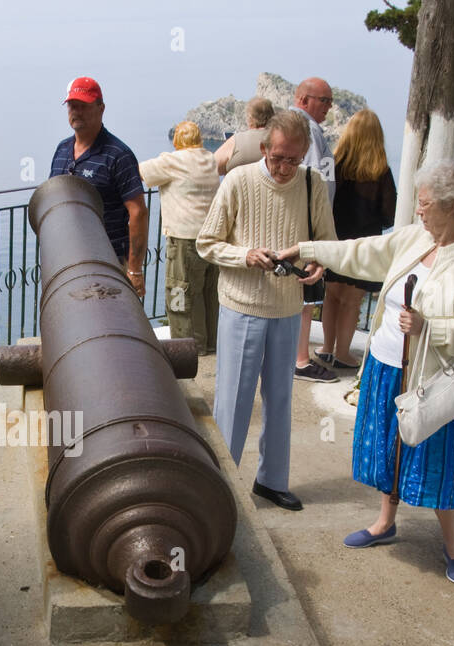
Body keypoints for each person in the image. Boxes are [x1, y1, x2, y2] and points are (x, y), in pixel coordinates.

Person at [277, 161, 454, 585]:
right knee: (388, 452)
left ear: (452, 207)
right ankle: (384, 522)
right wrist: (308, 250)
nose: (418, 211)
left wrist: (428, 327)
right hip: (385, 364)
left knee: (435, 460)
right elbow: (361, 252)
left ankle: (453, 545)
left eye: (425, 204)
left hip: (432, 381)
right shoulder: (414, 239)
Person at [196, 109, 336, 511]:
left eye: (294, 159)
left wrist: (316, 263)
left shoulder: (313, 184)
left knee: (280, 399)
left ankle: (271, 481)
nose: (285, 168)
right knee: (234, 401)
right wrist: (245, 255)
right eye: (278, 158)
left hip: (288, 309)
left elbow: (326, 242)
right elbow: (207, 243)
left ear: (305, 154)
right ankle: (221, 485)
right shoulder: (238, 180)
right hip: (242, 307)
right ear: (263, 149)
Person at [50, 76, 148, 294]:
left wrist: (134, 270)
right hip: (70, 258)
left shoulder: (118, 155)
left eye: (83, 106)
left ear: (101, 108)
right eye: (72, 106)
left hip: (109, 258)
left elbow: (138, 212)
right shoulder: (62, 150)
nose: (76, 112)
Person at [317, 109, 396, 371]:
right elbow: (390, 213)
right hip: (365, 243)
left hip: (336, 238)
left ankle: (327, 348)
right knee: (352, 301)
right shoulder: (381, 171)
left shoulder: (334, 163)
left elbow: (322, 198)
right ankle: (343, 353)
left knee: (331, 296)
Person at [139, 121, 220, 354]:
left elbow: (140, 172)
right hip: (211, 238)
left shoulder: (173, 161)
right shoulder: (209, 159)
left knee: (179, 295)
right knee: (208, 294)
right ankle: (210, 342)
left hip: (183, 240)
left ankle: (187, 348)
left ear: (176, 142)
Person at [290, 77, 340, 383]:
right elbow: (310, 179)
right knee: (305, 293)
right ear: (305, 100)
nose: (329, 107)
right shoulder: (306, 129)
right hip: (306, 226)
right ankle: (300, 360)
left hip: (308, 223)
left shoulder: (308, 127)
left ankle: (297, 356)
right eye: (325, 101)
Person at [214, 96, 275, 175]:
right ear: (272, 116)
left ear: (250, 118)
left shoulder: (237, 140)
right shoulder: (282, 140)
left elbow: (210, 168)